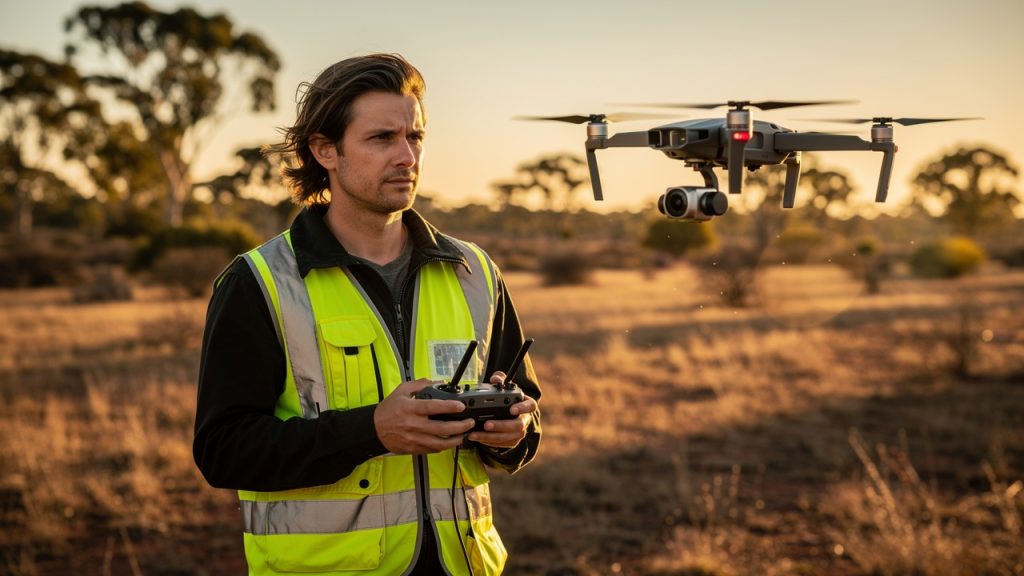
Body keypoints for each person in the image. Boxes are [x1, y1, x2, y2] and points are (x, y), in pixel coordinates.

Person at [193, 53, 541, 576]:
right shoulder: (260, 281)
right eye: (382, 138)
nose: (407, 156)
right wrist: (372, 431)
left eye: (415, 137)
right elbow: (223, 451)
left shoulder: (475, 271)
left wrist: (517, 432)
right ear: (325, 150)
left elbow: (527, 406)